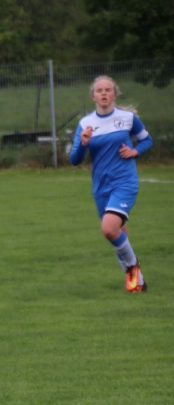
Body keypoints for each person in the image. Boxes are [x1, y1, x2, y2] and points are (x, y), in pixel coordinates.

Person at [70, 75, 153, 293]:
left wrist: (135, 151)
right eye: (99, 90)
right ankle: (138, 283)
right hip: (101, 187)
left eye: (108, 90)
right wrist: (83, 143)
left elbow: (147, 140)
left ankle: (133, 267)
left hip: (124, 182)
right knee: (119, 232)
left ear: (115, 94)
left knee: (108, 229)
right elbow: (75, 160)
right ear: (93, 96)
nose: (104, 93)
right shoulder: (85, 124)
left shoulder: (127, 118)